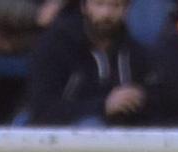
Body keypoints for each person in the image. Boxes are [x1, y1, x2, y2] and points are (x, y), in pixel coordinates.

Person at [24, 0, 152, 126]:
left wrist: (139, 99)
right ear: (84, 7)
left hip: (118, 134)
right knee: (91, 125)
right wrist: (103, 106)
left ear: (127, 10)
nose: (106, 13)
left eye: (116, 5)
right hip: (58, 132)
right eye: (99, 4)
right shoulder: (54, 46)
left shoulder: (136, 53)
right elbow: (42, 109)